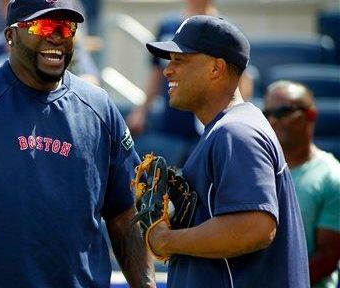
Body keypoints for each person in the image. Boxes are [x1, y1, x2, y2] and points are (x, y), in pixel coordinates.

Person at [0, 0, 155, 287]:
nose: (56, 36)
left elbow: (124, 213)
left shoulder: (100, 107)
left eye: (66, 28)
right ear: (10, 36)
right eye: (43, 25)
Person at [144, 15, 309, 287]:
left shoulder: (236, 133)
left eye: (179, 60)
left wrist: (166, 240)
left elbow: (254, 227)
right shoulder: (228, 129)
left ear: (216, 68)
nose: (167, 70)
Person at [126, 0, 253, 166]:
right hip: (174, 124)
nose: (169, 69)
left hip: (208, 128)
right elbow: (157, 73)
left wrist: (235, 118)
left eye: (180, 60)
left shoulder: (226, 30)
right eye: (171, 60)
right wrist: (141, 110)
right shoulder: (168, 25)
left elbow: (240, 77)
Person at [263, 80, 340, 288]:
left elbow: (327, 258)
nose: (273, 120)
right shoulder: (255, 170)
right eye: (267, 113)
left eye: (283, 112)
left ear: (310, 115)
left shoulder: (332, 176)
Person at [0, 0, 100, 85]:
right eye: (40, 27)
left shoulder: (72, 49)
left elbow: (90, 76)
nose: (55, 37)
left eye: (66, 27)